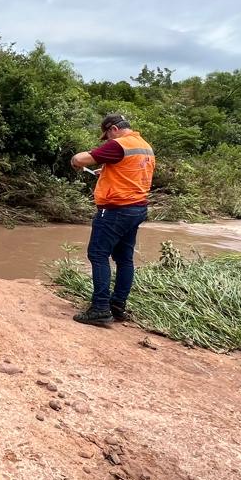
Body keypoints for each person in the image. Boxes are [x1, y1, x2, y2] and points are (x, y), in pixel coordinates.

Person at [68, 114, 155, 327]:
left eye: (106, 135)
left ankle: (99, 309)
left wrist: (75, 161)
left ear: (114, 129)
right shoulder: (144, 146)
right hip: (137, 208)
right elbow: (130, 172)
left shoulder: (118, 145)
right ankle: (117, 306)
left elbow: (80, 159)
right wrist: (106, 170)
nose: (107, 139)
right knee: (124, 259)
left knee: (97, 254)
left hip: (116, 209)